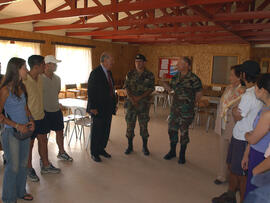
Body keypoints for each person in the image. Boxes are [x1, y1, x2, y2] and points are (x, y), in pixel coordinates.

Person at [212, 60, 262, 203]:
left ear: (243, 75)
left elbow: (237, 115)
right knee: (233, 168)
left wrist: (234, 110)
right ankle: (230, 195)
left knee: (240, 172)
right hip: (240, 135)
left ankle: (240, 198)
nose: (231, 77)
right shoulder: (257, 91)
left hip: (242, 136)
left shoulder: (248, 94)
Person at [0, 57, 35, 202]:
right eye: (24, 67)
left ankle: (21, 191)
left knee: (22, 164)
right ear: (16, 70)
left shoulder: (22, 87)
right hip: (10, 133)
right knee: (13, 167)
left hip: (25, 131)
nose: (26, 70)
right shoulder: (4, 90)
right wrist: (16, 125)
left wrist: (31, 120)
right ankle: (8, 198)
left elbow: (25, 108)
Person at [24, 55, 60, 182]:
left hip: (41, 115)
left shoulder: (40, 78)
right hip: (29, 118)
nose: (45, 66)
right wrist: (28, 118)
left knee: (43, 140)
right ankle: (28, 168)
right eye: (43, 65)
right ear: (36, 67)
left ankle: (45, 165)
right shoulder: (24, 80)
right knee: (29, 144)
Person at [161, 57, 202, 164]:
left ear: (187, 65)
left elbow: (199, 94)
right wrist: (164, 83)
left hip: (186, 111)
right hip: (175, 110)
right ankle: (172, 151)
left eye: (179, 63)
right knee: (172, 130)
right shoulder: (175, 77)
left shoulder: (194, 78)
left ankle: (182, 155)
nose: (177, 65)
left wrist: (190, 105)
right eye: (178, 63)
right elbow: (171, 90)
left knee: (184, 132)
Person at [214, 65, 245, 185]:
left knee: (235, 154)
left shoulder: (243, 91)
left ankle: (234, 178)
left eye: (232, 75)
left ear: (239, 77)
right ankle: (221, 175)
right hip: (223, 124)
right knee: (223, 151)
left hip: (234, 126)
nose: (230, 77)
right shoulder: (228, 88)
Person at [242, 73, 270, 198]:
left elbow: (253, 138)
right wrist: (246, 153)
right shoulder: (264, 107)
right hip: (255, 152)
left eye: (256, 87)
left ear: (263, 90)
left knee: (255, 192)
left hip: (262, 157)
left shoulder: (267, 114)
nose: (254, 89)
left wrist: (246, 134)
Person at [87, 52, 117, 162]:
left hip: (108, 107)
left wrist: (114, 104)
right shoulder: (95, 73)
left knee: (105, 130)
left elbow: (111, 89)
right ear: (104, 61)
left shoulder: (109, 72)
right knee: (97, 130)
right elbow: (91, 91)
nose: (113, 63)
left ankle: (101, 149)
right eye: (111, 60)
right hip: (97, 108)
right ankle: (94, 152)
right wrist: (93, 107)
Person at [42, 55, 73, 161]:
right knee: (43, 137)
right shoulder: (39, 78)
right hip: (44, 111)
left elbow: (56, 93)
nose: (56, 66)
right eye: (54, 64)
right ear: (46, 65)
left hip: (56, 110)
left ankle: (61, 152)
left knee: (60, 132)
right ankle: (43, 158)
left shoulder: (57, 79)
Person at [124, 54, 155, 155]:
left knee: (144, 126)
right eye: (136, 62)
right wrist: (132, 99)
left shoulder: (149, 75)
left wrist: (139, 98)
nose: (138, 63)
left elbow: (151, 88)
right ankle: (130, 146)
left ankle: (145, 147)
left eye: (140, 61)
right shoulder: (130, 73)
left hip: (143, 105)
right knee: (130, 126)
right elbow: (126, 87)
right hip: (131, 104)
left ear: (144, 63)